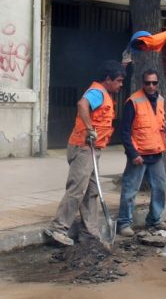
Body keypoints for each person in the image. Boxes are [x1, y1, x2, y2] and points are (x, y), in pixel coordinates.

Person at [44, 61, 126, 247]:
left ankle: (90, 234)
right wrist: (90, 128)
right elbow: (82, 104)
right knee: (78, 189)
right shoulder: (97, 92)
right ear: (108, 79)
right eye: (119, 81)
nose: (121, 85)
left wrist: (124, 65)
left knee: (91, 192)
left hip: (93, 149)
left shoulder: (104, 93)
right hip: (83, 147)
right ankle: (58, 228)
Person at [116, 69, 166, 237]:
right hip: (139, 155)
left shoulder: (161, 100)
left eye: (154, 83)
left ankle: (155, 220)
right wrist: (133, 154)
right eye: (148, 83)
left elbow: (164, 126)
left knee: (160, 188)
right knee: (130, 190)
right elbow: (125, 132)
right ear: (143, 83)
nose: (151, 86)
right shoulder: (133, 101)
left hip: (156, 153)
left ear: (158, 84)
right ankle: (124, 223)